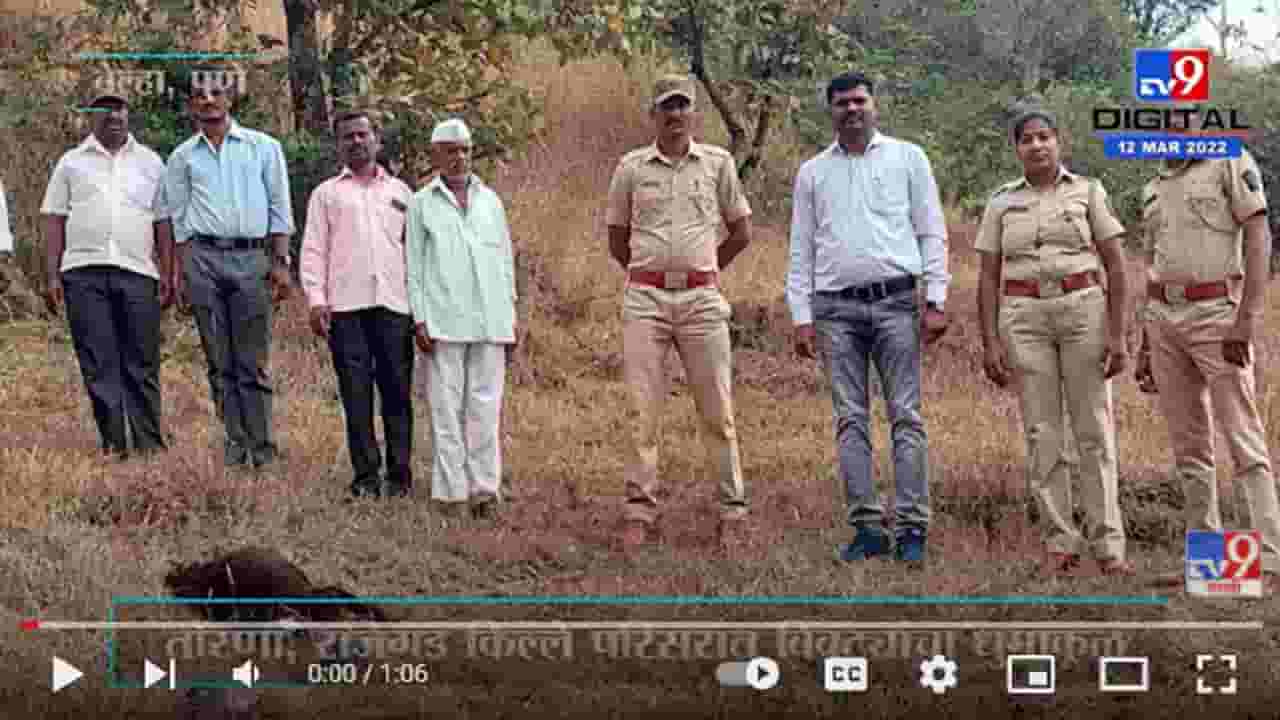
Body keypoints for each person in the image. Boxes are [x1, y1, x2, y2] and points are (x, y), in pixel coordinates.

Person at [787, 71, 948, 564]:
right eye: (841, 103)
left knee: (906, 415)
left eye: (859, 101)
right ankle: (867, 529)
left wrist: (936, 297)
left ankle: (913, 530)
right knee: (849, 418)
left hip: (897, 302)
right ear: (830, 111)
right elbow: (801, 247)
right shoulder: (813, 172)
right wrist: (801, 315)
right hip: (835, 309)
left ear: (874, 105)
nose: (852, 110)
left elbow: (931, 229)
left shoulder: (907, 158)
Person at [976, 109, 1134, 576]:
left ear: (1058, 141)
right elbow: (987, 277)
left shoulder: (1089, 192)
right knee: (1043, 433)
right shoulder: (1001, 203)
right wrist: (989, 342)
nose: (1037, 146)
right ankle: (1060, 545)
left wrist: (1119, 333)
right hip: (1023, 318)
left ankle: (1109, 548)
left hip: (1083, 310)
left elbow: (1117, 266)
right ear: (1016, 149)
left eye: (1045, 136)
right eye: (1027, 139)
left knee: (1094, 431)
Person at [605, 75, 754, 551]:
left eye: (682, 107)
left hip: (702, 302)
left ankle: (732, 509)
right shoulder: (631, 167)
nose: (674, 115)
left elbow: (741, 231)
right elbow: (616, 238)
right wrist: (653, 276)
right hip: (644, 301)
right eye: (666, 107)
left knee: (718, 409)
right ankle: (638, 510)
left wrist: (702, 273)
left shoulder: (718, 164)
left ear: (694, 114)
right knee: (640, 410)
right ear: (653, 114)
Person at [1134, 110, 1280, 585]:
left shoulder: (1229, 161)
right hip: (1163, 320)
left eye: (1182, 119)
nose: (1172, 129)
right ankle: (1210, 563)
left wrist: (1246, 318)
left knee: (1242, 436)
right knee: (1189, 445)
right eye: (1163, 122)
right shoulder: (1153, 186)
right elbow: (1152, 262)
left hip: (1217, 312)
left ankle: (1271, 557)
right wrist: (1143, 342)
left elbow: (1258, 237)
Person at [164, 67, 294, 469]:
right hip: (202, 258)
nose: (208, 101)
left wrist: (281, 262)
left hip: (252, 258)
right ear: (191, 106)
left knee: (251, 361)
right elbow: (178, 220)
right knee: (219, 359)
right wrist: (182, 272)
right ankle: (235, 446)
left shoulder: (263, 147)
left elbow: (279, 206)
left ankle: (263, 447)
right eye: (199, 95)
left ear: (229, 100)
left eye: (215, 93)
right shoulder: (182, 157)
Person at [40, 90, 173, 457]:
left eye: (119, 110)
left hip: (138, 272)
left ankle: (149, 445)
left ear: (129, 117)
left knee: (142, 362)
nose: (113, 116)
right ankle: (115, 445)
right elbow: (54, 219)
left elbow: (163, 222)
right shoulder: (71, 163)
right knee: (98, 362)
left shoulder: (151, 163)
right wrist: (52, 276)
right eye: (104, 110)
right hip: (83, 274)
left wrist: (169, 273)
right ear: (91, 118)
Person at [301, 110, 416, 498]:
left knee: (397, 391)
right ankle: (365, 477)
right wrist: (317, 300)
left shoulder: (401, 193)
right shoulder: (327, 194)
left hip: (394, 305)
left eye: (362, 135)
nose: (356, 142)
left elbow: (415, 254)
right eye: (347, 136)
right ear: (338, 144)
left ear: (376, 140)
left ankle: (400, 476)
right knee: (356, 393)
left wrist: (420, 309)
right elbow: (314, 250)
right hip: (346, 309)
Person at [406, 118, 516, 519]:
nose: (459, 157)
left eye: (465, 149)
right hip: (443, 319)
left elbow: (504, 262)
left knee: (485, 407)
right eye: (450, 150)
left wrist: (511, 318)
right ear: (435, 155)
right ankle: (451, 492)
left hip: (491, 319)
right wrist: (420, 319)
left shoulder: (491, 202)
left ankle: (484, 489)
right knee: (445, 407)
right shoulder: (422, 203)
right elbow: (414, 268)